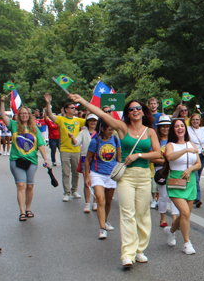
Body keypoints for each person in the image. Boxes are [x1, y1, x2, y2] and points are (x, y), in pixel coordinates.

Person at [68, 93, 161, 268]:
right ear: (128, 112)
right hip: (126, 176)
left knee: (143, 214)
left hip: (143, 176)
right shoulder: (122, 127)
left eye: (138, 108)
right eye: (131, 108)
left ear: (143, 112)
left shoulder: (150, 131)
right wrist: (83, 101)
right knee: (127, 213)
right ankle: (127, 253)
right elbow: (102, 115)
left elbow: (158, 153)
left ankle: (140, 250)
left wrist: (138, 155)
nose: (135, 110)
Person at [0, 95, 49, 221]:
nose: (24, 115)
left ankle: (28, 208)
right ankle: (22, 211)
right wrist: (2, 102)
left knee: (30, 186)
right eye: (21, 113)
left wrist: (46, 159)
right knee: (21, 185)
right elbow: (3, 116)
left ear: (29, 115)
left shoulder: (34, 129)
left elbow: (41, 145)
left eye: (26, 113)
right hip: (17, 160)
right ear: (18, 115)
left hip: (32, 161)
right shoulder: (13, 125)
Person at [163, 118, 201, 254]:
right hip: (175, 181)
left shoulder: (191, 144)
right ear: (173, 129)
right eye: (177, 126)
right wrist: (185, 151)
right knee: (184, 212)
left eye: (182, 126)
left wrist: (190, 170)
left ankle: (171, 231)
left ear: (185, 128)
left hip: (189, 181)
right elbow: (170, 157)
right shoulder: (171, 145)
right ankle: (187, 243)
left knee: (186, 214)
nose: (180, 128)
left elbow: (198, 163)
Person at [84, 118, 121, 239]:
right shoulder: (95, 141)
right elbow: (87, 159)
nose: (111, 131)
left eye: (112, 129)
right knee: (100, 199)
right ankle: (102, 228)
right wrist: (87, 175)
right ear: (103, 129)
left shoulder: (115, 140)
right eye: (109, 129)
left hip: (111, 174)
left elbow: (119, 159)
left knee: (109, 200)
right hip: (97, 173)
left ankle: (105, 220)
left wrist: (120, 172)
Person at [44, 94, 86, 202]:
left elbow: (90, 121)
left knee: (76, 172)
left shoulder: (78, 120)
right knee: (66, 172)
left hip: (76, 149)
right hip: (64, 149)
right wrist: (48, 103)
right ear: (66, 109)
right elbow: (49, 115)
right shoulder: (61, 119)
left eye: (74, 108)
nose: (74, 109)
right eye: (72, 108)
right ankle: (66, 192)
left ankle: (74, 190)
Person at [151, 115, 179, 227]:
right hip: (161, 170)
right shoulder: (156, 141)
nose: (165, 129)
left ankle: (174, 219)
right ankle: (162, 218)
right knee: (163, 196)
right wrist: (166, 161)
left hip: (173, 171)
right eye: (163, 126)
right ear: (159, 128)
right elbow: (152, 158)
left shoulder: (175, 140)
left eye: (167, 126)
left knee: (174, 195)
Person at [69, 114, 99, 213]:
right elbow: (76, 142)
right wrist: (73, 137)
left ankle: (95, 202)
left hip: (97, 159)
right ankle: (87, 203)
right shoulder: (83, 132)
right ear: (87, 122)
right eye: (90, 121)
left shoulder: (99, 132)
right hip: (85, 158)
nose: (92, 123)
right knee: (87, 182)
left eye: (94, 121)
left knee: (96, 182)